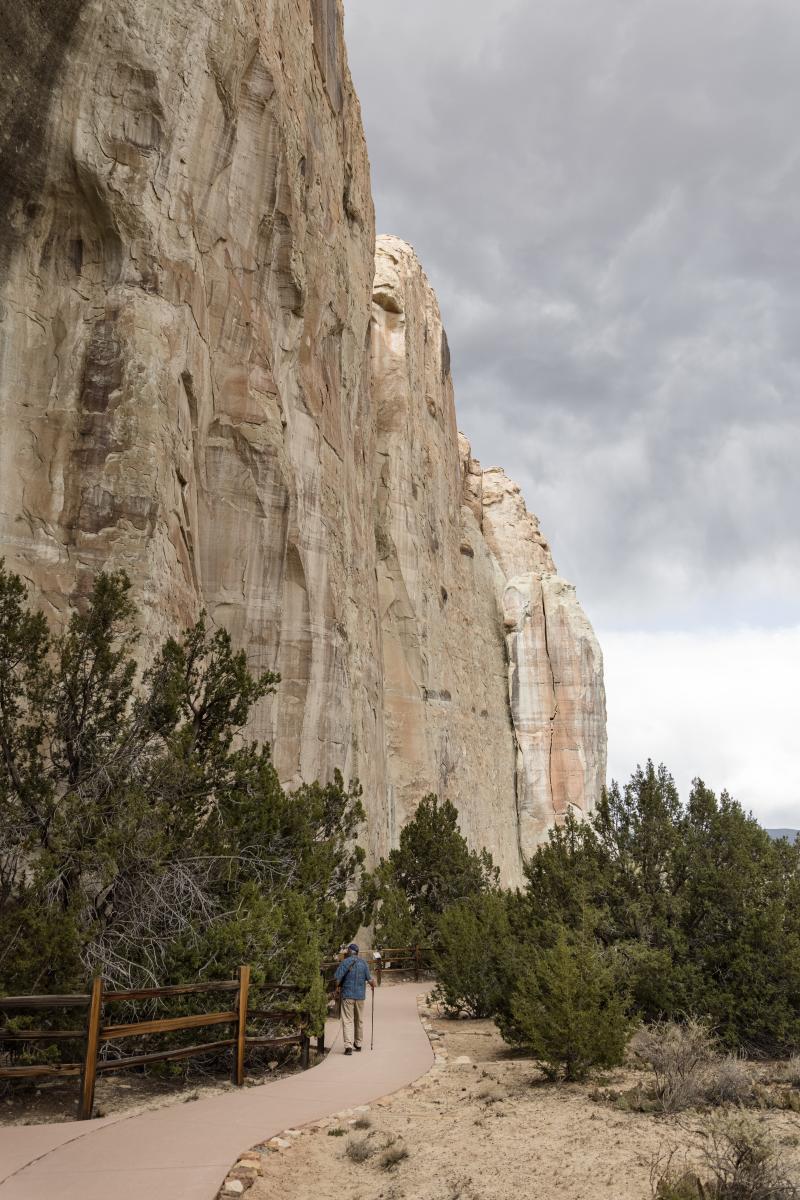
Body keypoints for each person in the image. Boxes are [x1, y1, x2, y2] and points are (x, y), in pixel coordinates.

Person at [334, 942, 375, 1055]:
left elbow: (337, 979)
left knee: (347, 1020)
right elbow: (371, 980)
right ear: (357, 952)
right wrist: (373, 985)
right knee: (359, 1020)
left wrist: (336, 989)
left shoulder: (344, 962)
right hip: (360, 996)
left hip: (347, 995)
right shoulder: (364, 963)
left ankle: (348, 1047)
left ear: (349, 952)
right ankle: (358, 1043)